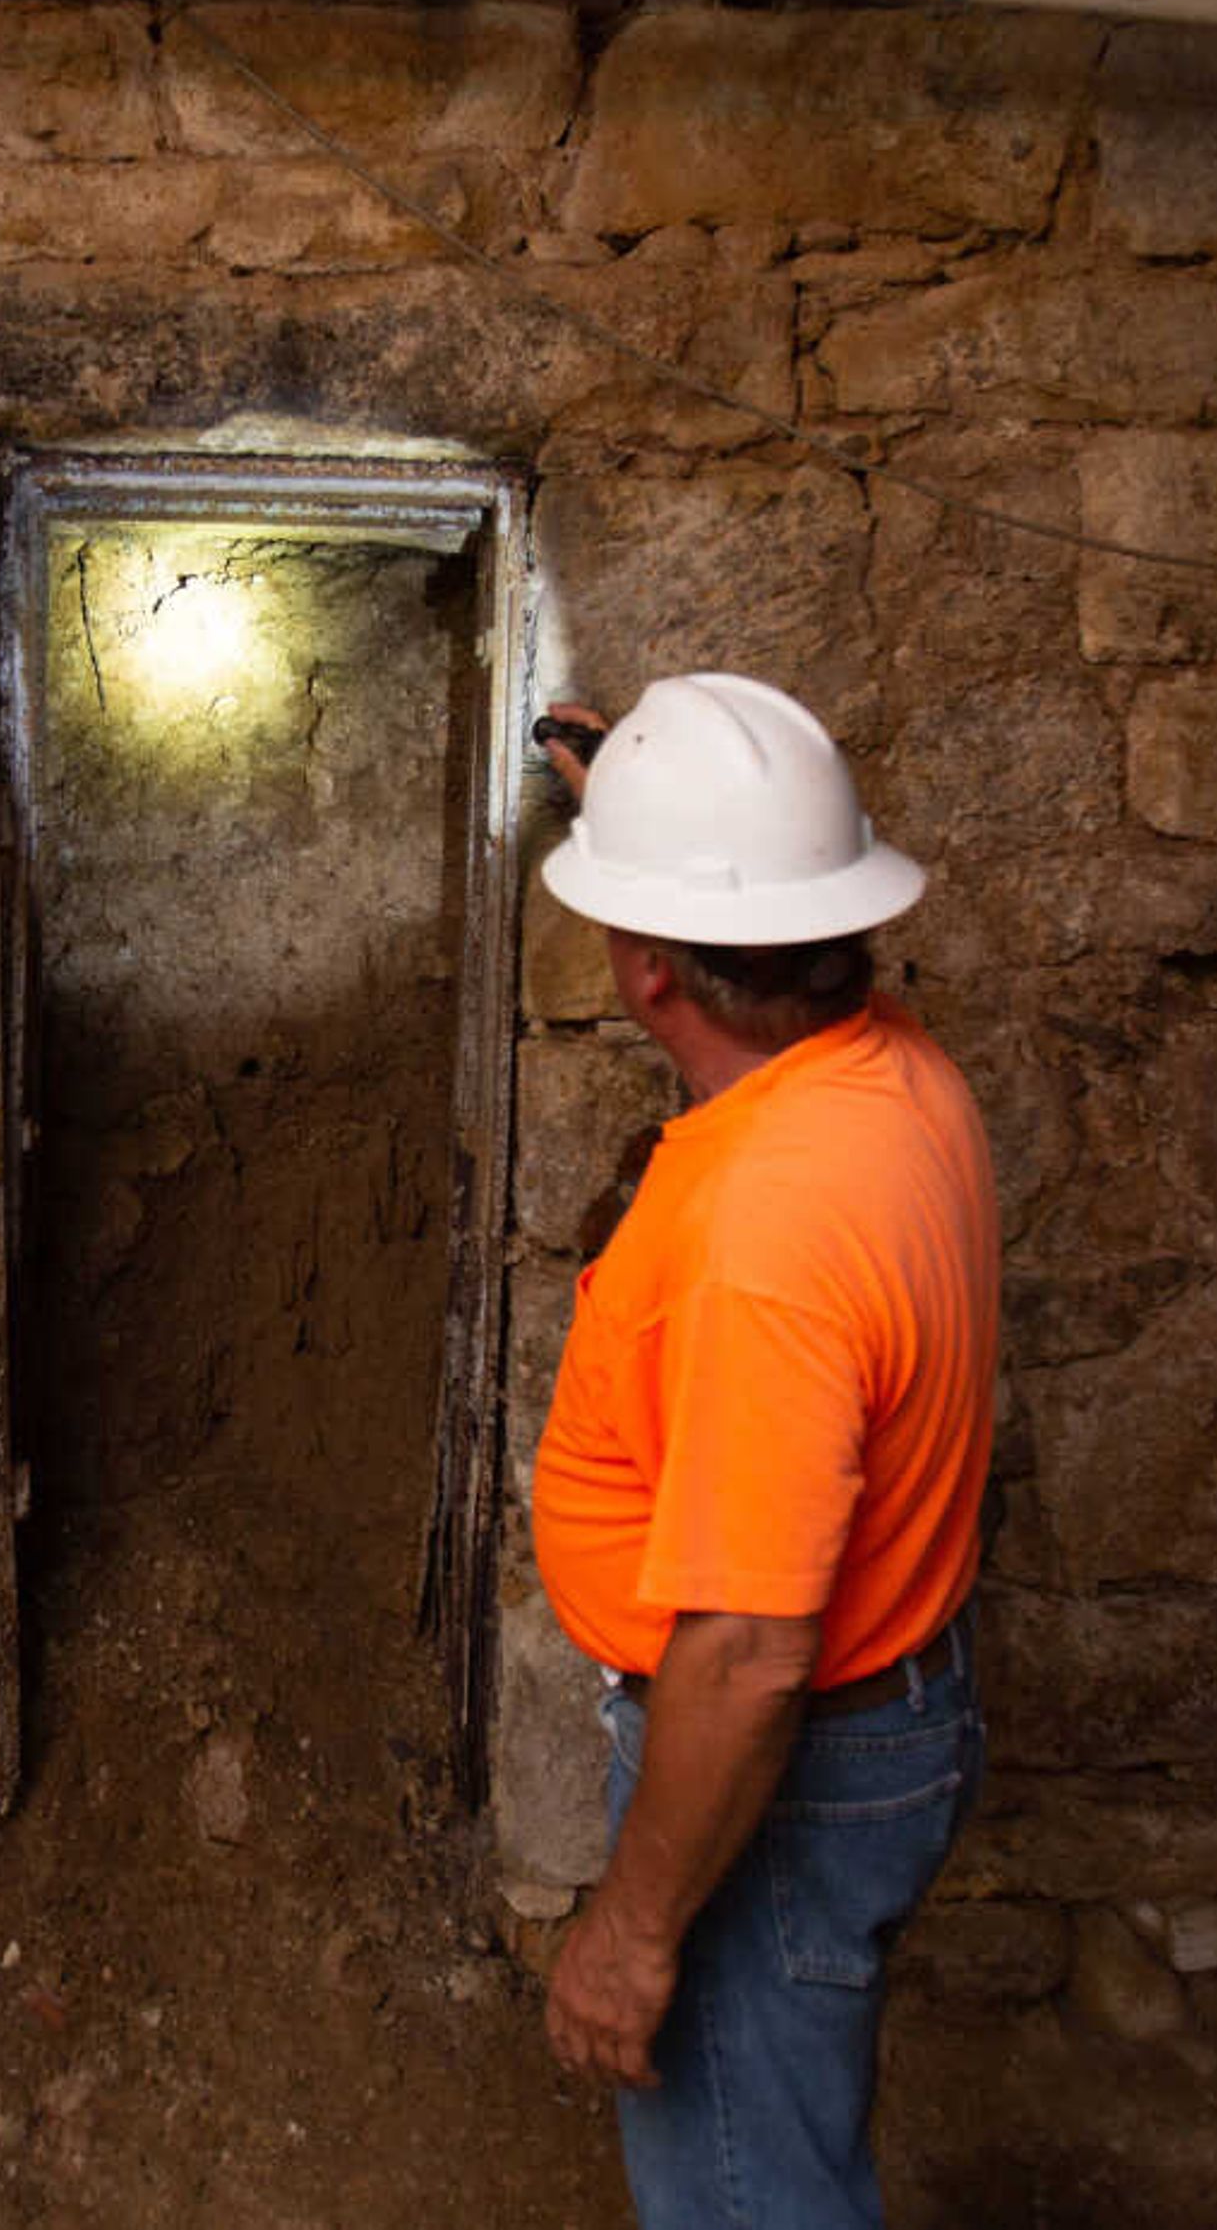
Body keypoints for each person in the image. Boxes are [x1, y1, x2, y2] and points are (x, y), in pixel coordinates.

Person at [527, 672, 999, 2230]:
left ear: (650, 969)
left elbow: (744, 1648)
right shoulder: (890, 1066)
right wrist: (624, 799)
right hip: (893, 1709)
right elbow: (755, 898)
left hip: (782, 1776)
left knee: (753, 2189)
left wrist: (634, 1931)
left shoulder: (766, 1237)